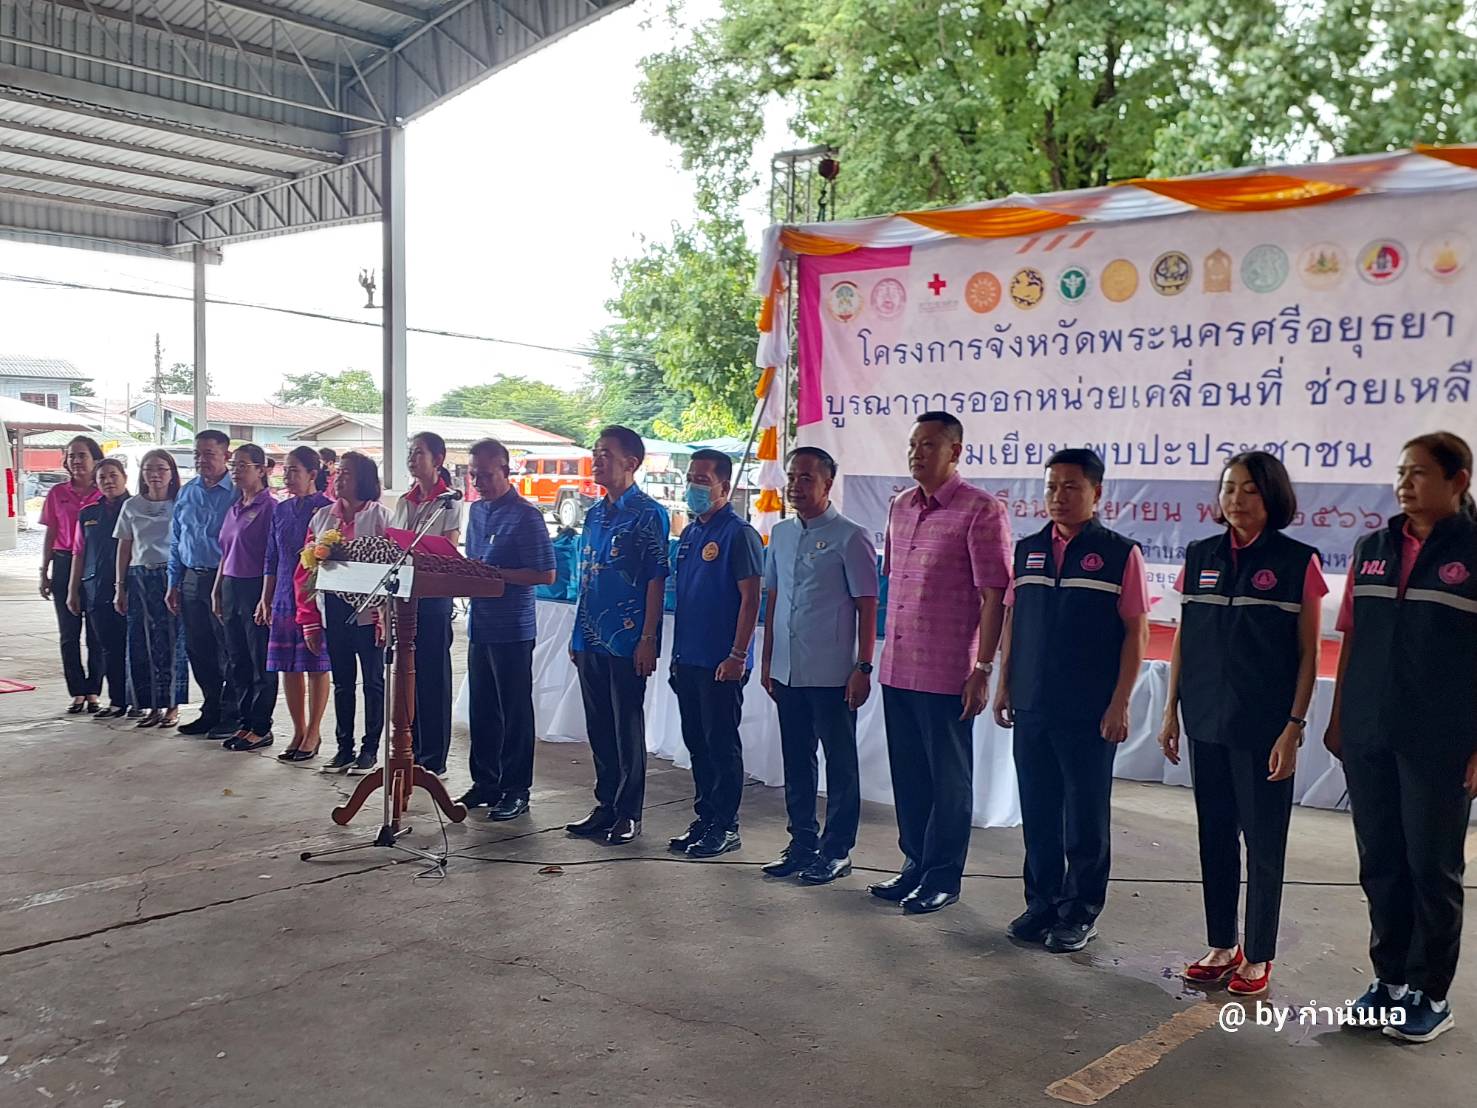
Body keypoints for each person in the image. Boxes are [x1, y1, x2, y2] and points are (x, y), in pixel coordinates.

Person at [1325, 431, 1477, 1044]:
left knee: (1430, 867)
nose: (1405, 483)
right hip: (1369, 732)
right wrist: (1339, 719)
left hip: (1440, 740)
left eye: (1418, 473)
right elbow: (1353, 639)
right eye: (1401, 472)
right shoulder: (1372, 547)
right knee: (1380, 862)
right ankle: (1388, 984)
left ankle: (1430, 993)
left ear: (1458, 481)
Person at [1157, 452, 1324, 996]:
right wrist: (1170, 711)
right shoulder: (1199, 554)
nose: (1235, 499)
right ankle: (1222, 943)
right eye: (1229, 488)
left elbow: (1307, 652)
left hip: (1264, 728)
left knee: (1265, 842)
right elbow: (1186, 634)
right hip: (1206, 718)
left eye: (1249, 489)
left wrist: (1293, 725)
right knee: (1215, 837)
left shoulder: (1299, 561)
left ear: (1271, 496)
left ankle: (1260, 952)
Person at [991, 449, 1149, 951]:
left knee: (1084, 816)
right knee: (1038, 811)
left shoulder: (1121, 554)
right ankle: (1040, 905)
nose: (1058, 497)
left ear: (1096, 494)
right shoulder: (1028, 549)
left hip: (1089, 710)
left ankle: (1079, 911)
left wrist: (1120, 702)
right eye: (1051, 486)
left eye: (1071, 487)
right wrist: (1004, 684)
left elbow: (1135, 631)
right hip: (1033, 704)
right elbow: (1014, 620)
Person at [871, 412, 1012, 913]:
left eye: (929, 445)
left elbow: (995, 596)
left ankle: (943, 877)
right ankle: (914, 864)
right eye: (913, 444)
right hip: (899, 666)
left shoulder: (981, 510)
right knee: (908, 774)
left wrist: (983, 669)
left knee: (948, 779)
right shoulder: (899, 507)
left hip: (948, 669)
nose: (918, 453)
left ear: (955, 452)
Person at [760, 447, 879, 884]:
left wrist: (863, 666)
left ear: (828, 484)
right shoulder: (782, 534)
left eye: (807, 477)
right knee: (797, 759)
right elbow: (773, 599)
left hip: (832, 673)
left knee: (840, 764)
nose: (796, 485)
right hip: (788, 671)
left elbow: (868, 605)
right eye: (792, 476)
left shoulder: (851, 536)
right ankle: (801, 842)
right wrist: (768, 658)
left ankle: (837, 850)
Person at [566, 425, 670, 845]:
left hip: (626, 639)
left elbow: (655, 579)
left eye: (606, 453)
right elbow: (585, 579)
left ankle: (629, 811)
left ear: (632, 463)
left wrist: (648, 638)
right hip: (590, 636)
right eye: (595, 451)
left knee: (626, 725)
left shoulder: (648, 514)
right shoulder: (592, 514)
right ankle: (605, 803)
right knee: (599, 726)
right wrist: (576, 636)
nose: (597, 459)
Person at [668, 448, 763, 859]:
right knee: (698, 743)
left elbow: (751, 598)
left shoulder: (737, 533)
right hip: (688, 658)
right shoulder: (690, 533)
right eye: (691, 478)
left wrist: (738, 654)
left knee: (721, 744)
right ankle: (705, 816)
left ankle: (726, 824)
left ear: (726, 485)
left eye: (703, 480)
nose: (695, 486)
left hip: (722, 662)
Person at [460, 438, 556, 819]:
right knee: (482, 707)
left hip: (512, 627)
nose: (478, 481)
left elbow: (546, 573)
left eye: (485, 474)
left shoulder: (525, 516)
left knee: (513, 709)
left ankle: (517, 788)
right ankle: (485, 782)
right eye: (473, 475)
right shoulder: (478, 512)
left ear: (505, 471)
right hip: (480, 623)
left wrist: (495, 575)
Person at [299, 451, 390, 776]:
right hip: (334, 607)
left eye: (347, 474)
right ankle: (343, 747)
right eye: (337, 473)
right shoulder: (322, 517)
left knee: (373, 682)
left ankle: (369, 749)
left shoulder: (381, 517)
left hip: (370, 610)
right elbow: (306, 572)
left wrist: (385, 615)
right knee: (343, 682)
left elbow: (392, 567)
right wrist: (309, 619)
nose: (339, 479)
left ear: (364, 479)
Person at [390, 431, 462, 777]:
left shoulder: (449, 501)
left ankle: (434, 754)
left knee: (433, 674)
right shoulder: (405, 501)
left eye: (419, 452)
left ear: (439, 459)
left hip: (433, 593)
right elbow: (393, 541)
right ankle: (410, 746)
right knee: (407, 671)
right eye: (410, 452)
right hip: (405, 594)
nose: (412, 458)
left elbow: (449, 545)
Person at [263, 447, 332, 762]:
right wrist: (266, 597)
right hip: (282, 598)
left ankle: (315, 731)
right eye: (285, 470)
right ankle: (298, 729)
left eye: (294, 470)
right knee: (287, 667)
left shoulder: (326, 509)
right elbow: (272, 556)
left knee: (316, 665)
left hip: (313, 596)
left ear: (312, 474)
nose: (287, 476)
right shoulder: (280, 509)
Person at [167, 429, 237, 738]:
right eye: (197, 454)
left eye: (209, 453)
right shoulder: (187, 491)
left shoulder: (236, 491)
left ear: (226, 455)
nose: (201, 459)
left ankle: (232, 713)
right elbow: (176, 539)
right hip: (191, 578)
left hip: (224, 579)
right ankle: (211, 709)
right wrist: (173, 582)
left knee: (231, 648)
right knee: (199, 648)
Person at [212, 444, 277, 750]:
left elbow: (272, 557)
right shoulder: (235, 506)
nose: (237, 471)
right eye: (234, 465)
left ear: (262, 469)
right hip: (230, 586)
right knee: (236, 659)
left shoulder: (270, 508)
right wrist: (216, 589)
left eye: (244, 465)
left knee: (259, 660)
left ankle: (262, 726)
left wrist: (267, 597)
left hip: (256, 588)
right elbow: (225, 553)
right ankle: (244, 722)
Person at [115, 450, 182, 729]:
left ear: (171, 473)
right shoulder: (132, 505)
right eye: (149, 469)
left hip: (169, 574)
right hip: (139, 574)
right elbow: (125, 546)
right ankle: (149, 704)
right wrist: (120, 587)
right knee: (140, 642)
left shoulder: (179, 503)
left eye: (161, 469)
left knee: (170, 641)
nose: (155, 474)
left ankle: (172, 705)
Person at [40, 435, 103, 713]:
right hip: (64, 564)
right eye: (71, 456)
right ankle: (77, 690)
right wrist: (45, 571)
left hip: (96, 566)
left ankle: (94, 690)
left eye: (82, 455)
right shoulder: (57, 493)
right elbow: (51, 533)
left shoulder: (104, 493)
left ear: (96, 459)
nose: (76, 461)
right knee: (69, 632)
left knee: (96, 632)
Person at [67, 458, 130, 719]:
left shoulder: (135, 507)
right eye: (102, 477)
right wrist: (73, 590)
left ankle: (140, 701)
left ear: (125, 477)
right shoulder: (88, 513)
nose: (108, 481)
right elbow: (78, 553)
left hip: (132, 588)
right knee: (109, 648)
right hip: (96, 589)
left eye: (113, 475)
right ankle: (117, 701)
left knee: (133, 647)